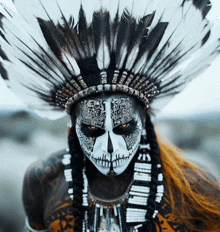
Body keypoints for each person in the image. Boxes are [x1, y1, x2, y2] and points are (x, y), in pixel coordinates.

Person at [0, 0, 219, 231]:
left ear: (144, 122)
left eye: (124, 129)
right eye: (92, 130)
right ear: (72, 125)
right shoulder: (42, 180)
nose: (110, 148)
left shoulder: (196, 187)